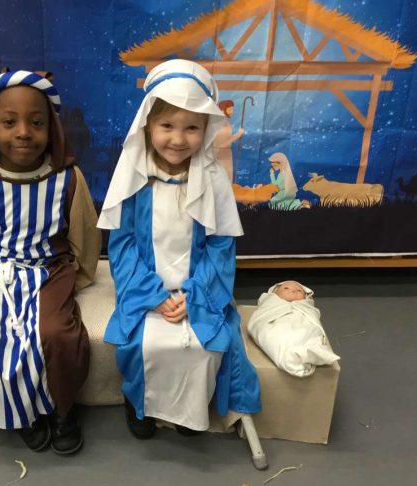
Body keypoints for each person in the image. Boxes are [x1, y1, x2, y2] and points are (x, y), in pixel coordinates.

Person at [97, 59, 261, 439]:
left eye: (191, 128)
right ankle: (139, 403)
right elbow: (122, 246)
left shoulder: (213, 181)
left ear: (206, 129)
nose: (178, 139)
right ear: (148, 126)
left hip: (194, 291)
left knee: (206, 345)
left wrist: (195, 295)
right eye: (167, 126)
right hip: (148, 290)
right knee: (142, 344)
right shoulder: (134, 179)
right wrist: (152, 296)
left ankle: (190, 410)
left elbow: (220, 248)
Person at [0, 69, 101, 455]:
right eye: (9, 122)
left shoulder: (66, 179)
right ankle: (19, 414)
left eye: (36, 123)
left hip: (47, 267)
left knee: (56, 333)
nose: (23, 133)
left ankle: (63, 409)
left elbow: (84, 233)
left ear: (51, 129)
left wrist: (77, 278)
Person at [247, 281, 340, 377]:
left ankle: (310, 351)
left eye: (299, 291)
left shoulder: (307, 307)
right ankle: (291, 357)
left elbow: (314, 319)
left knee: (310, 332)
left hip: (301, 324)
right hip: (276, 323)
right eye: (286, 288)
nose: (293, 291)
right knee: (271, 334)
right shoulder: (271, 304)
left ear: (306, 297)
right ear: (274, 292)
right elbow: (260, 319)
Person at [212, 100, 244, 182]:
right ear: (223, 110)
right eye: (230, 109)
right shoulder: (219, 124)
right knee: (221, 179)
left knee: (227, 178)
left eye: (232, 109)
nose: (232, 112)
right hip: (219, 155)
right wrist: (237, 135)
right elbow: (221, 145)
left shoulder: (226, 122)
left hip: (226, 153)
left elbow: (226, 140)